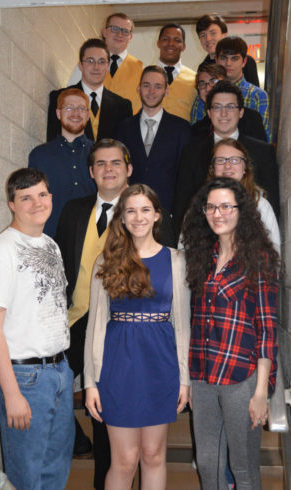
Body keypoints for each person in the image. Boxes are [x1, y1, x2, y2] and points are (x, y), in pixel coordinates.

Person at [55, 139, 175, 490]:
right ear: (91, 172)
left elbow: (174, 305)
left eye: (116, 163)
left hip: (148, 345)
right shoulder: (74, 211)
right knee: (93, 422)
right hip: (83, 325)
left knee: (147, 453)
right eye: (101, 164)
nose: (109, 169)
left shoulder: (163, 241)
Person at [84, 183, 190, 490]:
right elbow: (95, 326)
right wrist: (90, 382)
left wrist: (185, 378)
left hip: (161, 366)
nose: (138, 217)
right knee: (125, 460)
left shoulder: (176, 260)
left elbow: (182, 325)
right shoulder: (106, 262)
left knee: (154, 455)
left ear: (157, 215)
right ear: (122, 217)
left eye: (145, 210)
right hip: (118, 367)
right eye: (130, 210)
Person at [182, 177, 279, 490]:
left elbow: (267, 328)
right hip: (204, 376)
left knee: (244, 467)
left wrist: (261, 390)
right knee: (209, 465)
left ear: (242, 211)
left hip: (242, 378)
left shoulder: (259, 259)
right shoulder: (201, 256)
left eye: (226, 206)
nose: (217, 213)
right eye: (211, 206)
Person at [0, 168, 74, 490]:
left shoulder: (50, 245)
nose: (36, 203)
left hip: (58, 370)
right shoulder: (1, 251)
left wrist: (64, 374)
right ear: (12, 204)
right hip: (25, 379)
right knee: (27, 475)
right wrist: (11, 394)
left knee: (55, 469)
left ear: (51, 197)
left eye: (41, 195)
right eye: (26, 198)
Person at [173, 81, 279, 234]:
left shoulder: (263, 152)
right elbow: (182, 203)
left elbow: (272, 203)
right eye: (217, 107)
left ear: (241, 112)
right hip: (203, 239)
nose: (224, 114)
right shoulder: (192, 151)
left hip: (251, 239)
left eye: (230, 107)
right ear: (209, 113)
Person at [116, 65, 191, 212]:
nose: (151, 91)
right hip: (131, 209)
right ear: (138, 89)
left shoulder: (181, 128)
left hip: (167, 212)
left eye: (158, 86)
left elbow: (185, 176)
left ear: (166, 91)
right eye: (146, 85)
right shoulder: (123, 128)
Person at [29, 88, 96, 237]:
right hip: (50, 241)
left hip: (90, 243)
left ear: (88, 115)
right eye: (69, 108)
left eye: (81, 108)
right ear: (58, 113)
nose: (75, 113)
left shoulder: (100, 154)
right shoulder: (39, 155)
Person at [47, 38, 132, 142]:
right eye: (90, 61)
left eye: (101, 62)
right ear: (80, 65)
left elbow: (124, 149)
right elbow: (53, 141)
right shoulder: (59, 97)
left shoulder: (123, 106)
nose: (96, 67)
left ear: (108, 66)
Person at [208, 138, 280, 253]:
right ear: (212, 169)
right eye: (220, 160)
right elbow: (186, 248)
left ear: (245, 168)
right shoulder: (200, 204)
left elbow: (274, 254)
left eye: (235, 160)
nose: (227, 166)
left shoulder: (260, 205)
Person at [69, 13, 143, 114]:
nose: (120, 34)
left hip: (126, 128)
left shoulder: (141, 69)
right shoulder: (86, 64)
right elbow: (69, 95)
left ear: (130, 37)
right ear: (104, 32)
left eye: (125, 31)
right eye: (115, 29)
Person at [215, 36, 271, 141]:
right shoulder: (207, 92)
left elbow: (263, 140)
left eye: (234, 58)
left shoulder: (258, 95)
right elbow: (197, 134)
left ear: (244, 62)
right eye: (223, 58)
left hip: (248, 155)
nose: (228, 63)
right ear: (216, 60)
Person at [196, 14, 260, 87]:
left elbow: (254, 92)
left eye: (213, 33)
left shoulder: (246, 61)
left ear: (224, 34)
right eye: (203, 35)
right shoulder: (203, 67)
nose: (208, 39)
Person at [157, 23, 196, 121]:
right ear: (158, 43)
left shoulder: (196, 79)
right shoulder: (144, 76)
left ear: (183, 46)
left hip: (185, 135)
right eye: (166, 39)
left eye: (177, 40)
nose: (171, 44)